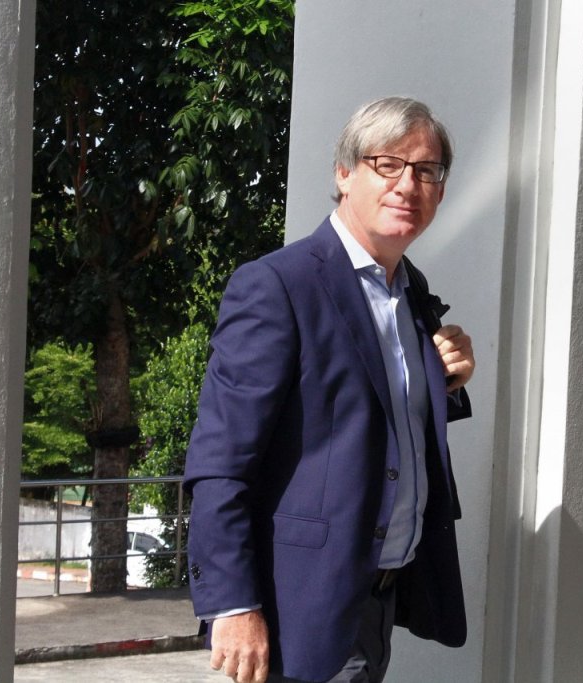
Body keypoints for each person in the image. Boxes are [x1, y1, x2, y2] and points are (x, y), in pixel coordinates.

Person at [183, 96, 475, 683]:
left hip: (379, 594)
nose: (408, 185)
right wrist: (233, 606)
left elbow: (363, 417)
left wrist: (445, 382)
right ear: (344, 173)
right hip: (301, 606)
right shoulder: (277, 286)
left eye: (426, 171)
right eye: (387, 165)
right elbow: (220, 461)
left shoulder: (409, 291)